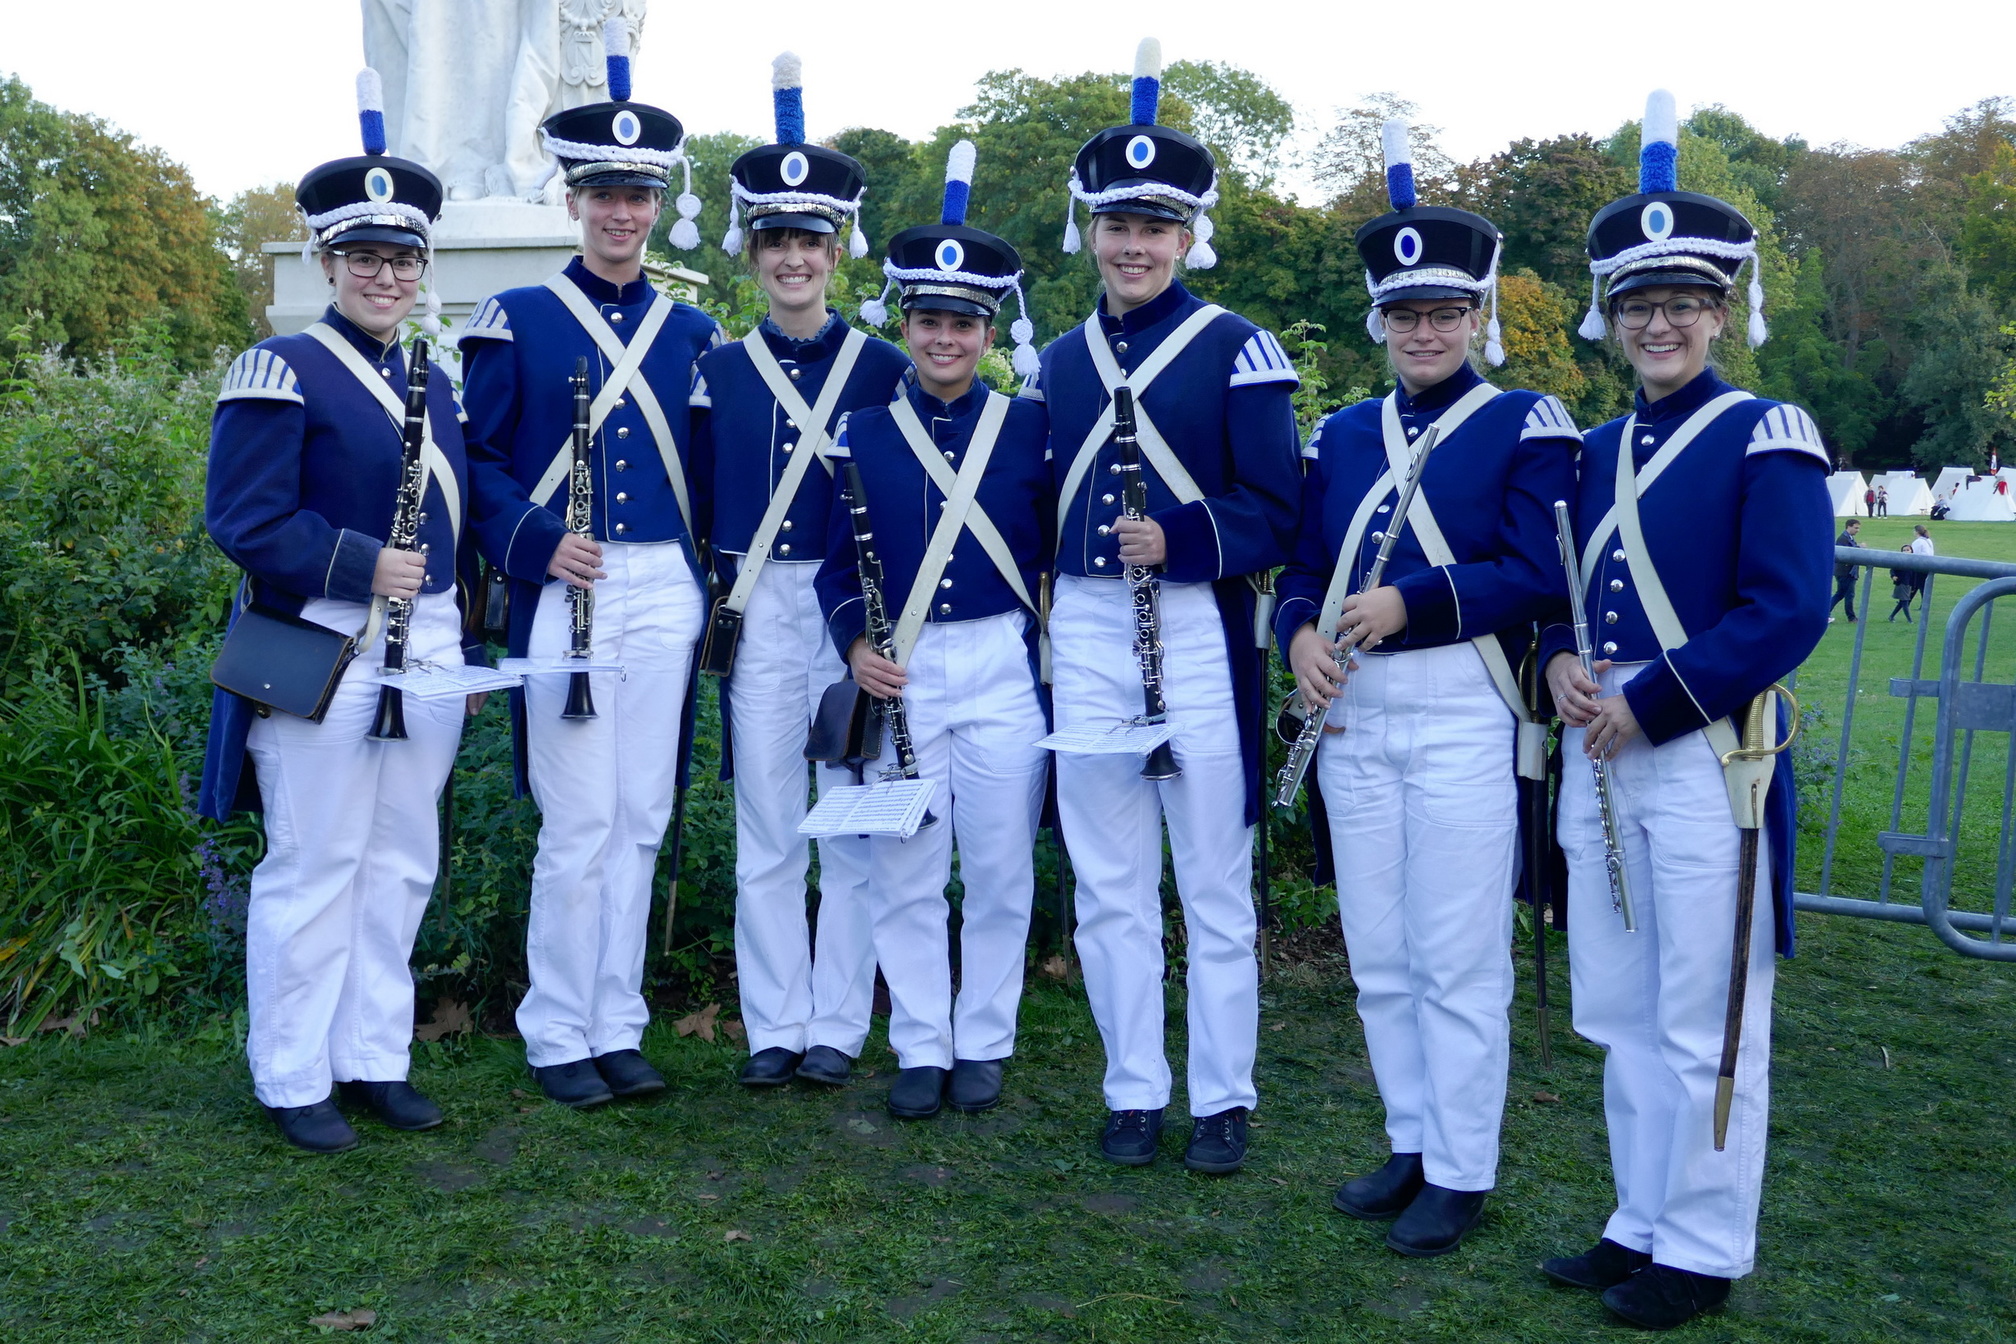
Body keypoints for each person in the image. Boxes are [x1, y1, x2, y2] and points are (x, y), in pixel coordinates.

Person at [1542, 91, 1832, 1331]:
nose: (1658, 323)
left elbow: (1788, 609)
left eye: (1683, 301)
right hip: (1599, 750)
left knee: (1707, 1012)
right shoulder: (1594, 447)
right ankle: (1639, 1216)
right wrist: (1560, 659)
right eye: (1637, 304)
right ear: (1612, 317)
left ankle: (1704, 1246)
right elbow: (1566, 589)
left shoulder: (1767, 432)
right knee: (1620, 1007)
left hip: (1707, 754)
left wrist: (1649, 702)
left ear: (1722, 312)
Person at [1275, 121, 1580, 1255]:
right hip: (1353, 708)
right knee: (1380, 953)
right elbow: (1303, 563)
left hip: (1462, 704)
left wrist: (1412, 602)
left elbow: (1538, 569)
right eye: (1404, 313)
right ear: (1380, 320)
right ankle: (1409, 1140)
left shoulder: (1525, 420)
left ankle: (1462, 1166)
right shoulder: (1341, 433)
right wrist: (1298, 636)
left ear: (1477, 315)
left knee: (1456, 956)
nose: (1425, 331)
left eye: (1445, 312)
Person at [199, 73, 483, 1153]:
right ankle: (292, 1074)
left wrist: (467, 622)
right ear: (327, 261)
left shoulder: (434, 379)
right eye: (362, 256)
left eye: (402, 259)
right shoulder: (278, 367)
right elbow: (244, 519)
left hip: (431, 645)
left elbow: (457, 524)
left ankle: (374, 1059)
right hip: (322, 643)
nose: (384, 275)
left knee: (402, 860)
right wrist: (364, 563)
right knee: (313, 862)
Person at [1030, 39, 1300, 1174]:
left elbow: (1278, 510)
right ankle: (1134, 1088)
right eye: (1117, 225)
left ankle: (1223, 1096)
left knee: (1213, 880)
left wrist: (1181, 540)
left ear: (1188, 236)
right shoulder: (1055, 360)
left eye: (1156, 226)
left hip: (1195, 629)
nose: (1134, 245)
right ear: (1091, 231)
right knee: (1108, 882)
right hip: (1091, 629)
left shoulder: (1239, 348)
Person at [459, 29, 719, 1109]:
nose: (621, 212)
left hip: (662, 588)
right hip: (565, 587)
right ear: (572, 198)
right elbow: (472, 461)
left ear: (657, 206)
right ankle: (557, 1028)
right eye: (604, 193)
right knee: (577, 823)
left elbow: (709, 472)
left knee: (643, 814)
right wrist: (531, 541)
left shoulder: (693, 329)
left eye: (638, 195)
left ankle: (618, 1022)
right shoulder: (516, 318)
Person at [815, 141, 1053, 1119]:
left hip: (999, 661)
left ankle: (984, 1038)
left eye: (962, 323)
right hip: (901, 670)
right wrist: (855, 647)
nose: (944, 338)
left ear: (988, 330)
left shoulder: (1030, 427)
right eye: (928, 320)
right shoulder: (865, 431)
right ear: (904, 323)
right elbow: (836, 566)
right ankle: (920, 1040)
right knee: (905, 867)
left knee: (998, 867)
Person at [693, 54, 910, 1090]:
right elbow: (700, 500)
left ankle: (838, 1024)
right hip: (755, 604)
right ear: (753, 252)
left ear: (837, 252)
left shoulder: (886, 368)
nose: (793, 257)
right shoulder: (716, 371)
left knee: (849, 822)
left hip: (849, 608)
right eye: (775, 240)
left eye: (810, 241)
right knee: (769, 826)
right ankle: (772, 1024)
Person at [1829, 518, 1863, 622]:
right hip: (1845, 572)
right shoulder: (1843, 539)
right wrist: (1859, 548)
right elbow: (1846, 554)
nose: (1857, 530)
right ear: (1849, 526)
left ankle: (1825, 612)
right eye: (1856, 528)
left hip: (1845, 572)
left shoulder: (1848, 538)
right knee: (1848, 595)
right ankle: (1851, 617)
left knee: (1840, 594)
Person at [1888, 544, 1916, 622]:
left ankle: (1891, 616)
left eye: (1908, 550)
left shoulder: (1914, 561)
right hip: (1901, 583)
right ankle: (1909, 620)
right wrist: (1893, 576)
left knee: (1902, 601)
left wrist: (1914, 586)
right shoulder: (1899, 560)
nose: (1906, 551)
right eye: (1904, 550)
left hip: (1908, 584)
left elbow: (1914, 575)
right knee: (1904, 601)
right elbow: (1893, 569)